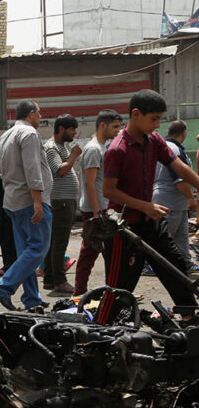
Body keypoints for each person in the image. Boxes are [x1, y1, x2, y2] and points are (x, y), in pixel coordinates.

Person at [97, 90, 199, 323]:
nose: (156, 125)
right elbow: (109, 191)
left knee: (176, 269)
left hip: (151, 222)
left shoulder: (154, 141)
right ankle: (99, 336)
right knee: (119, 288)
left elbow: (179, 167)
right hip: (123, 228)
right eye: (153, 119)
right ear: (136, 114)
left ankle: (188, 319)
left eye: (159, 119)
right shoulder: (117, 149)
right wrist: (144, 206)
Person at [0, 100, 52, 310]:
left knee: (26, 250)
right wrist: (37, 200)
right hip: (29, 200)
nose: (41, 117)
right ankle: (5, 287)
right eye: (40, 113)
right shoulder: (29, 134)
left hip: (13, 200)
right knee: (38, 248)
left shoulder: (6, 135)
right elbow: (32, 168)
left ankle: (32, 299)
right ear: (32, 114)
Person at [75, 109, 123, 295]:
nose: (118, 131)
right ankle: (79, 293)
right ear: (103, 125)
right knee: (89, 252)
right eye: (115, 127)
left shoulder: (103, 147)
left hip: (103, 207)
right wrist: (96, 213)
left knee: (109, 252)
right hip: (96, 209)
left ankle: (111, 291)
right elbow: (89, 182)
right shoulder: (94, 149)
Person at [43, 115, 82, 296]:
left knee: (54, 242)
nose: (74, 133)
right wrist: (74, 155)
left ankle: (50, 279)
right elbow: (59, 171)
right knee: (59, 242)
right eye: (72, 129)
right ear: (61, 129)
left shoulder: (60, 147)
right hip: (61, 202)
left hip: (65, 201)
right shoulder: (51, 148)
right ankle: (59, 281)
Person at [153, 120, 195, 272]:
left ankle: (186, 263)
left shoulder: (166, 147)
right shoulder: (173, 150)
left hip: (176, 201)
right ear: (183, 132)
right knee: (165, 236)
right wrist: (191, 198)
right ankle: (152, 265)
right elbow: (180, 179)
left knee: (181, 236)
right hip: (170, 199)